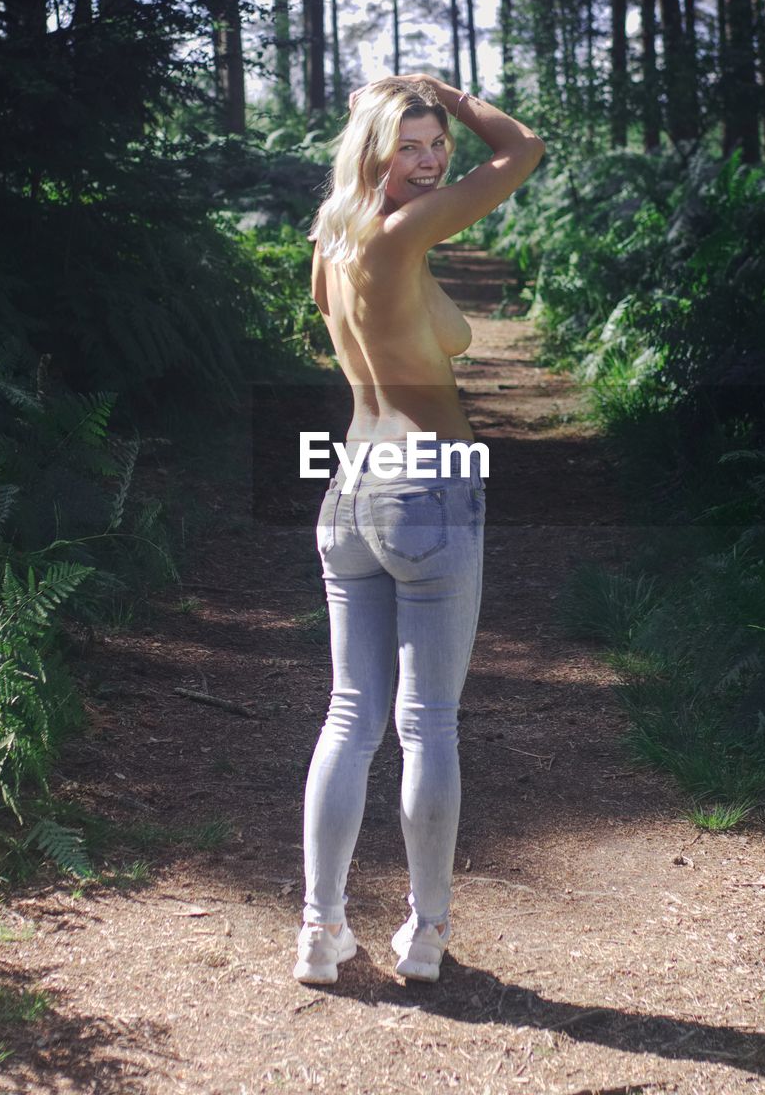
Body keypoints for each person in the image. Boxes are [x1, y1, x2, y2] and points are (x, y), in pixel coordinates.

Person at [294, 73, 545, 985]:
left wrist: (423, 116)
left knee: (350, 716)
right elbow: (522, 152)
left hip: (350, 485)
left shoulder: (334, 237)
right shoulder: (405, 234)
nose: (434, 159)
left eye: (437, 141)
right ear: (374, 153)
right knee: (427, 721)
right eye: (411, 146)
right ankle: (426, 933)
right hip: (427, 486)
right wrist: (455, 93)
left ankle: (321, 930)